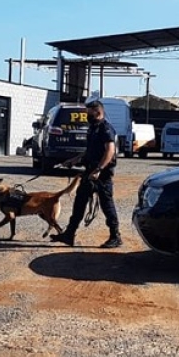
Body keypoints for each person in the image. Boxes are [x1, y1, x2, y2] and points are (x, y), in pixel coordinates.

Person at [50, 100, 123, 248]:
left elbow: (110, 150)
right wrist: (74, 160)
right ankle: (69, 235)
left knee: (107, 206)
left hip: (101, 176)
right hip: (90, 173)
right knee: (79, 204)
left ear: (97, 112)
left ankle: (115, 237)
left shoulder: (105, 128)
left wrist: (99, 169)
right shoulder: (93, 128)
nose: (86, 115)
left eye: (88, 113)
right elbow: (90, 151)